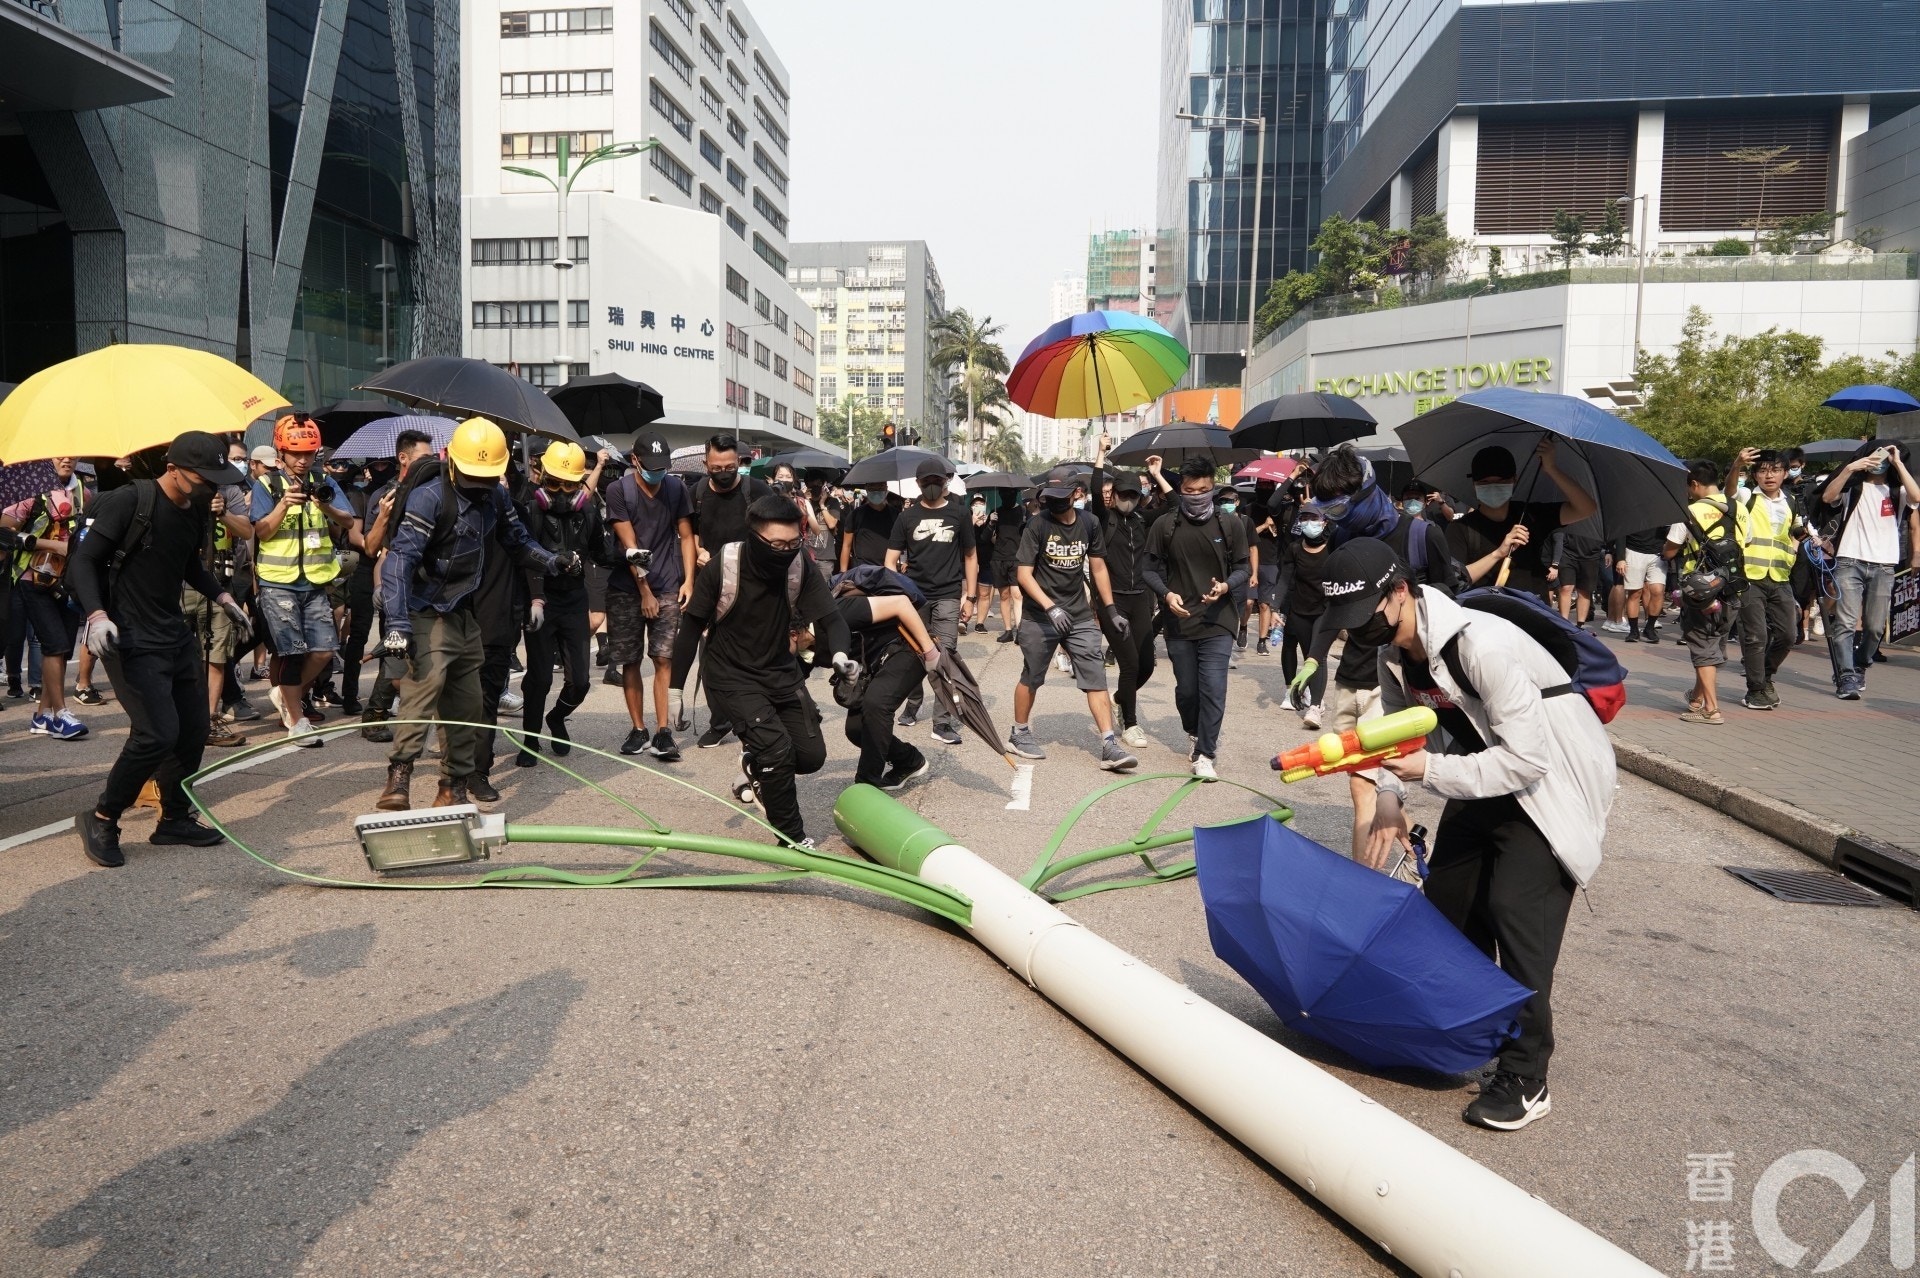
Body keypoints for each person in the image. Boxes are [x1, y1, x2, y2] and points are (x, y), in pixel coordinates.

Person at [1324, 537, 1611, 1132]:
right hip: (1482, 775)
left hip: (1547, 782)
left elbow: (1529, 760)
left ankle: (1527, 1075)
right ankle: (1479, 1030)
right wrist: (1389, 796)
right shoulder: (1395, 650)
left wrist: (1428, 772)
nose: (1360, 632)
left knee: (1515, 912)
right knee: (1450, 907)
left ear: (1399, 592)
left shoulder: (1482, 645)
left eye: (1366, 616)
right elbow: (1396, 734)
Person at [67, 432, 253, 867]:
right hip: (127, 636)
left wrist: (224, 599)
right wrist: (96, 615)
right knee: (155, 734)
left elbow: (189, 565)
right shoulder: (129, 502)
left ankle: (173, 819)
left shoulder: (196, 511)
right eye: (204, 478)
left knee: (191, 731)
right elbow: (84, 560)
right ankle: (102, 817)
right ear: (173, 470)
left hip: (173, 634)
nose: (211, 487)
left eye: (217, 479)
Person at [374, 418, 571, 811]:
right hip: (426, 611)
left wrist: (552, 562)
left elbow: (518, 541)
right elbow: (400, 562)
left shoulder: (495, 498)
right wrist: (397, 627)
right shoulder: (430, 497)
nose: (479, 484)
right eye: (473, 475)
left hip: (465, 612)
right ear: (452, 462)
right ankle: (400, 776)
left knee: (469, 704)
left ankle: (453, 784)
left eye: (487, 476)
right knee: (424, 690)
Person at [669, 494, 857, 848]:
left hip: (780, 671)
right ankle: (791, 838)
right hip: (731, 674)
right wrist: (675, 690)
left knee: (810, 757)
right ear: (754, 537)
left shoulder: (799, 563)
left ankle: (756, 768)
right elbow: (691, 626)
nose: (784, 551)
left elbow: (831, 617)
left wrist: (841, 654)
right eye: (775, 544)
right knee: (777, 750)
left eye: (792, 543)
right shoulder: (724, 566)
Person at [1006, 482, 1138, 771]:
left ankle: (1109, 745)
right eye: (1049, 499)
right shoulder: (1037, 526)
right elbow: (1024, 575)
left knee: (1095, 674)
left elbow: (1099, 567)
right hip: (1040, 616)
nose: (1054, 504)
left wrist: (1111, 610)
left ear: (1076, 494)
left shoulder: (1089, 523)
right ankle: (1018, 733)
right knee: (1033, 675)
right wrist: (1049, 607)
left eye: (1060, 498)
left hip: (1078, 615)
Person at [250, 415, 358, 746]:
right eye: (295, 453)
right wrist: (283, 504)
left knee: (325, 650)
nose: (303, 460)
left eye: (309, 453)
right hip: (278, 582)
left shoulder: (324, 481)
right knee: (293, 651)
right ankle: (297, 722)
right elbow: (261, 531)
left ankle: (286, 697)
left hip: (315, 582)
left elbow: (348, 520)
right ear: (280, 454)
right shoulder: (267, 485)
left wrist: (325, 504)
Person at [1143, 458, 1250, 778]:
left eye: (1204, 490)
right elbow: (1148, 569)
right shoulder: (1166, 524)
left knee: (1214, 687)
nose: (1197, 496)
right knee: (1187, 690)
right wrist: (1166, 594)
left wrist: (1226, 585)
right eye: (1190, 491)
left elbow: (1245, 569)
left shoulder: (1229, 525)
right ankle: (1194, 729)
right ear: (1181, 489)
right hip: (1179, 620)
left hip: (1219, 620)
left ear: (1212, 488)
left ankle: (1206, 752)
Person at [518, 442, 615, 766]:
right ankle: (531, 738)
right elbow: (522, 556)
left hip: (574, 601)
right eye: (554, 483)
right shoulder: (529, 508)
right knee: (540, 677)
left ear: (580, 483)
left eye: (569, 485)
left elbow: (602, 555)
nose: (560, 492)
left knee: (581, 682)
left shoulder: (587, 512)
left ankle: (557, 717)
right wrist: (534, 598)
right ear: (542, 476)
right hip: (540, 600)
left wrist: (626, 553)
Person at [604, 432, 696, 758]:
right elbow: (631, 548)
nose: (658, 474)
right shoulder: (619, 491)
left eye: (663, 468)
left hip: (669, 583)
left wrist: (689, 582)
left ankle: (663, 732)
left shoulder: (676, 488)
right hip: (626, 588)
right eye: (651, 467)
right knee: (630, 660)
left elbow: (686, 536)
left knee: (663, 658)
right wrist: (644, 591)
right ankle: (638, 729)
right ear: (635, 462)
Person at [687, 434, 773, 748]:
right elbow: (686, 536)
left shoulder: (757, 491)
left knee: (755, 656)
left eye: (730, 466)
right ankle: (720, 721)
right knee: (709, 658)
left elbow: (774, 534)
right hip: (709, 587)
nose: (723, 472)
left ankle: (758, 717)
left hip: (751, 587)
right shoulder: (695, 494)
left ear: (738, 462)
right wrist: (697, 552)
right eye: (716, 467)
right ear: (706, 464)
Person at [1820, 440, 1919, 699]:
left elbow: (1917, 498)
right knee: (1846, 623)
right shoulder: (1853, 487)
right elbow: (1828, 497)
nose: (1880, 462)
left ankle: (1860, 663)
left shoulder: (1897, 491)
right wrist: (1850, 468)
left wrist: (1898, 461)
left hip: (1884, 565)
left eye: (1885, 458)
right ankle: (1846, 676)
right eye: (1876, 456)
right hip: (1849, 561)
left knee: (1875, 627)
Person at [885, 457, 975, 745]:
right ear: (918, 484)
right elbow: (889, 561)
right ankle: (912, 705)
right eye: (927, 482)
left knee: (945, 660)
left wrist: (970, 596)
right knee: (914, 656)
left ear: (945, 482)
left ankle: (942, 722)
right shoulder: (906, 517)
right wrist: (895, 593)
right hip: (914, 598)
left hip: (948, 596)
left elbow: (971, 556)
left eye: (938, 481)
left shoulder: (959, 514)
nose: (933, 486)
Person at [2, 456, 89, 739]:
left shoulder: (83, 492)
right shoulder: (30, 492)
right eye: (59, 453)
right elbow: (4, 531)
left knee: (62, 648)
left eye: (72, 454)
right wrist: (50, 544)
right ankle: (60, 714)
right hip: (32, 579)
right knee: (53, 643)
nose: (67, 458)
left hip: (67, 581)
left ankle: (42, 715)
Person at [831, 567, 941, 790]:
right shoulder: (798, 645)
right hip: (874, 662)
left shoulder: (840, 611)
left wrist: (931, 654)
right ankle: (909, 761)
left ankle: (866, 786)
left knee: (877, 704)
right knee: (857, 729)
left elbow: (901, 603)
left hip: (908, 647)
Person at [1445, 443, 1599, 596]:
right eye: (1484, 483)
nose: (1493, 487)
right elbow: (1454, 579)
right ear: (1474, 485)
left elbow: (1586, 508)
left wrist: (1552, 469)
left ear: (1514, 480)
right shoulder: (1460, 528)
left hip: (1533, 613)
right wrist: (1498, 553)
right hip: (1485, 614)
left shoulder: (1530, 515)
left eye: (1501, 481)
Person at [181, 475, 258, 748]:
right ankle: (176, 721)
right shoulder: (178, 487)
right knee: (175, 655)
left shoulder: (230, 491)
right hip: (180, 585)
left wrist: (222, 511)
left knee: (216, 656)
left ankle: (209, 720)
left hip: (219, 583)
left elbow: (247, 531)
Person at [1090, 449, 1159, 751]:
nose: (1127, 499)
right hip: (1112, 602)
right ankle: (1129, 723)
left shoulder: (1144, 521)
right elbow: (1095, 490)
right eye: (1123, 493)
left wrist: (1156, 475)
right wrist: (1100, 455)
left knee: (1147, 664)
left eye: (1133, 494)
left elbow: (1174, 505)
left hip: (1140, 598)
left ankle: (1121, 696)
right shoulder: (1104, 520)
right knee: (1129, 664)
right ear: (1114, 494)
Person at [1732, 449, 1804, 710]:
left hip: (1781, 577)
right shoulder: (1747, 496)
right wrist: (1736, 465)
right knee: (1755, 636)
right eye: (1762, 470)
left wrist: (1804, 540)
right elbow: (1729, 491)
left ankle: (1765, 674)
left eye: (1774, 470)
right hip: (1750, 576)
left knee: (1788, 635)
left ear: (1785, 473)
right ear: (1755, 475)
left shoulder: (1792, 502)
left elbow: (1796, 530)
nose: (1769, 475)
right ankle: (1756, 689)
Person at [1676, 459, 1739, 726]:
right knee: (1714, 645)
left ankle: (1711, 710)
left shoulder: (1688, 512)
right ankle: (1696, 698)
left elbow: (1669, 550)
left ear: (1695, 484)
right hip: (1732, 588)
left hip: (1702, 592)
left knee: (1702, 647)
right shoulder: (1738, 508)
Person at [1274, 504, 1332, 729]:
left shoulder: (1333, 548)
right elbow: (1285, 579)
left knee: (1317, 656)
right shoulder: (1295, 549)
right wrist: (1275, 607)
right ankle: (1294, 690)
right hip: (1298, 609)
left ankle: (1315, 706)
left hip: (1324, 610)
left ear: (1324, 522)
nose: (1309, 523)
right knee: (1296, 649)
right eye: (1304, 518)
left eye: (1313, 518)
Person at [839, 481, 900, 572]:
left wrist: (906, 561)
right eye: (872, 488)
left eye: (880, 487)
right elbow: (846, 545)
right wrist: (843, 573)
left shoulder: (896, 515)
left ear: (886, 489)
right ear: (866, 489)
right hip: (861, 571)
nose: (876, 491)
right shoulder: (855, 514)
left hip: (889, 570)